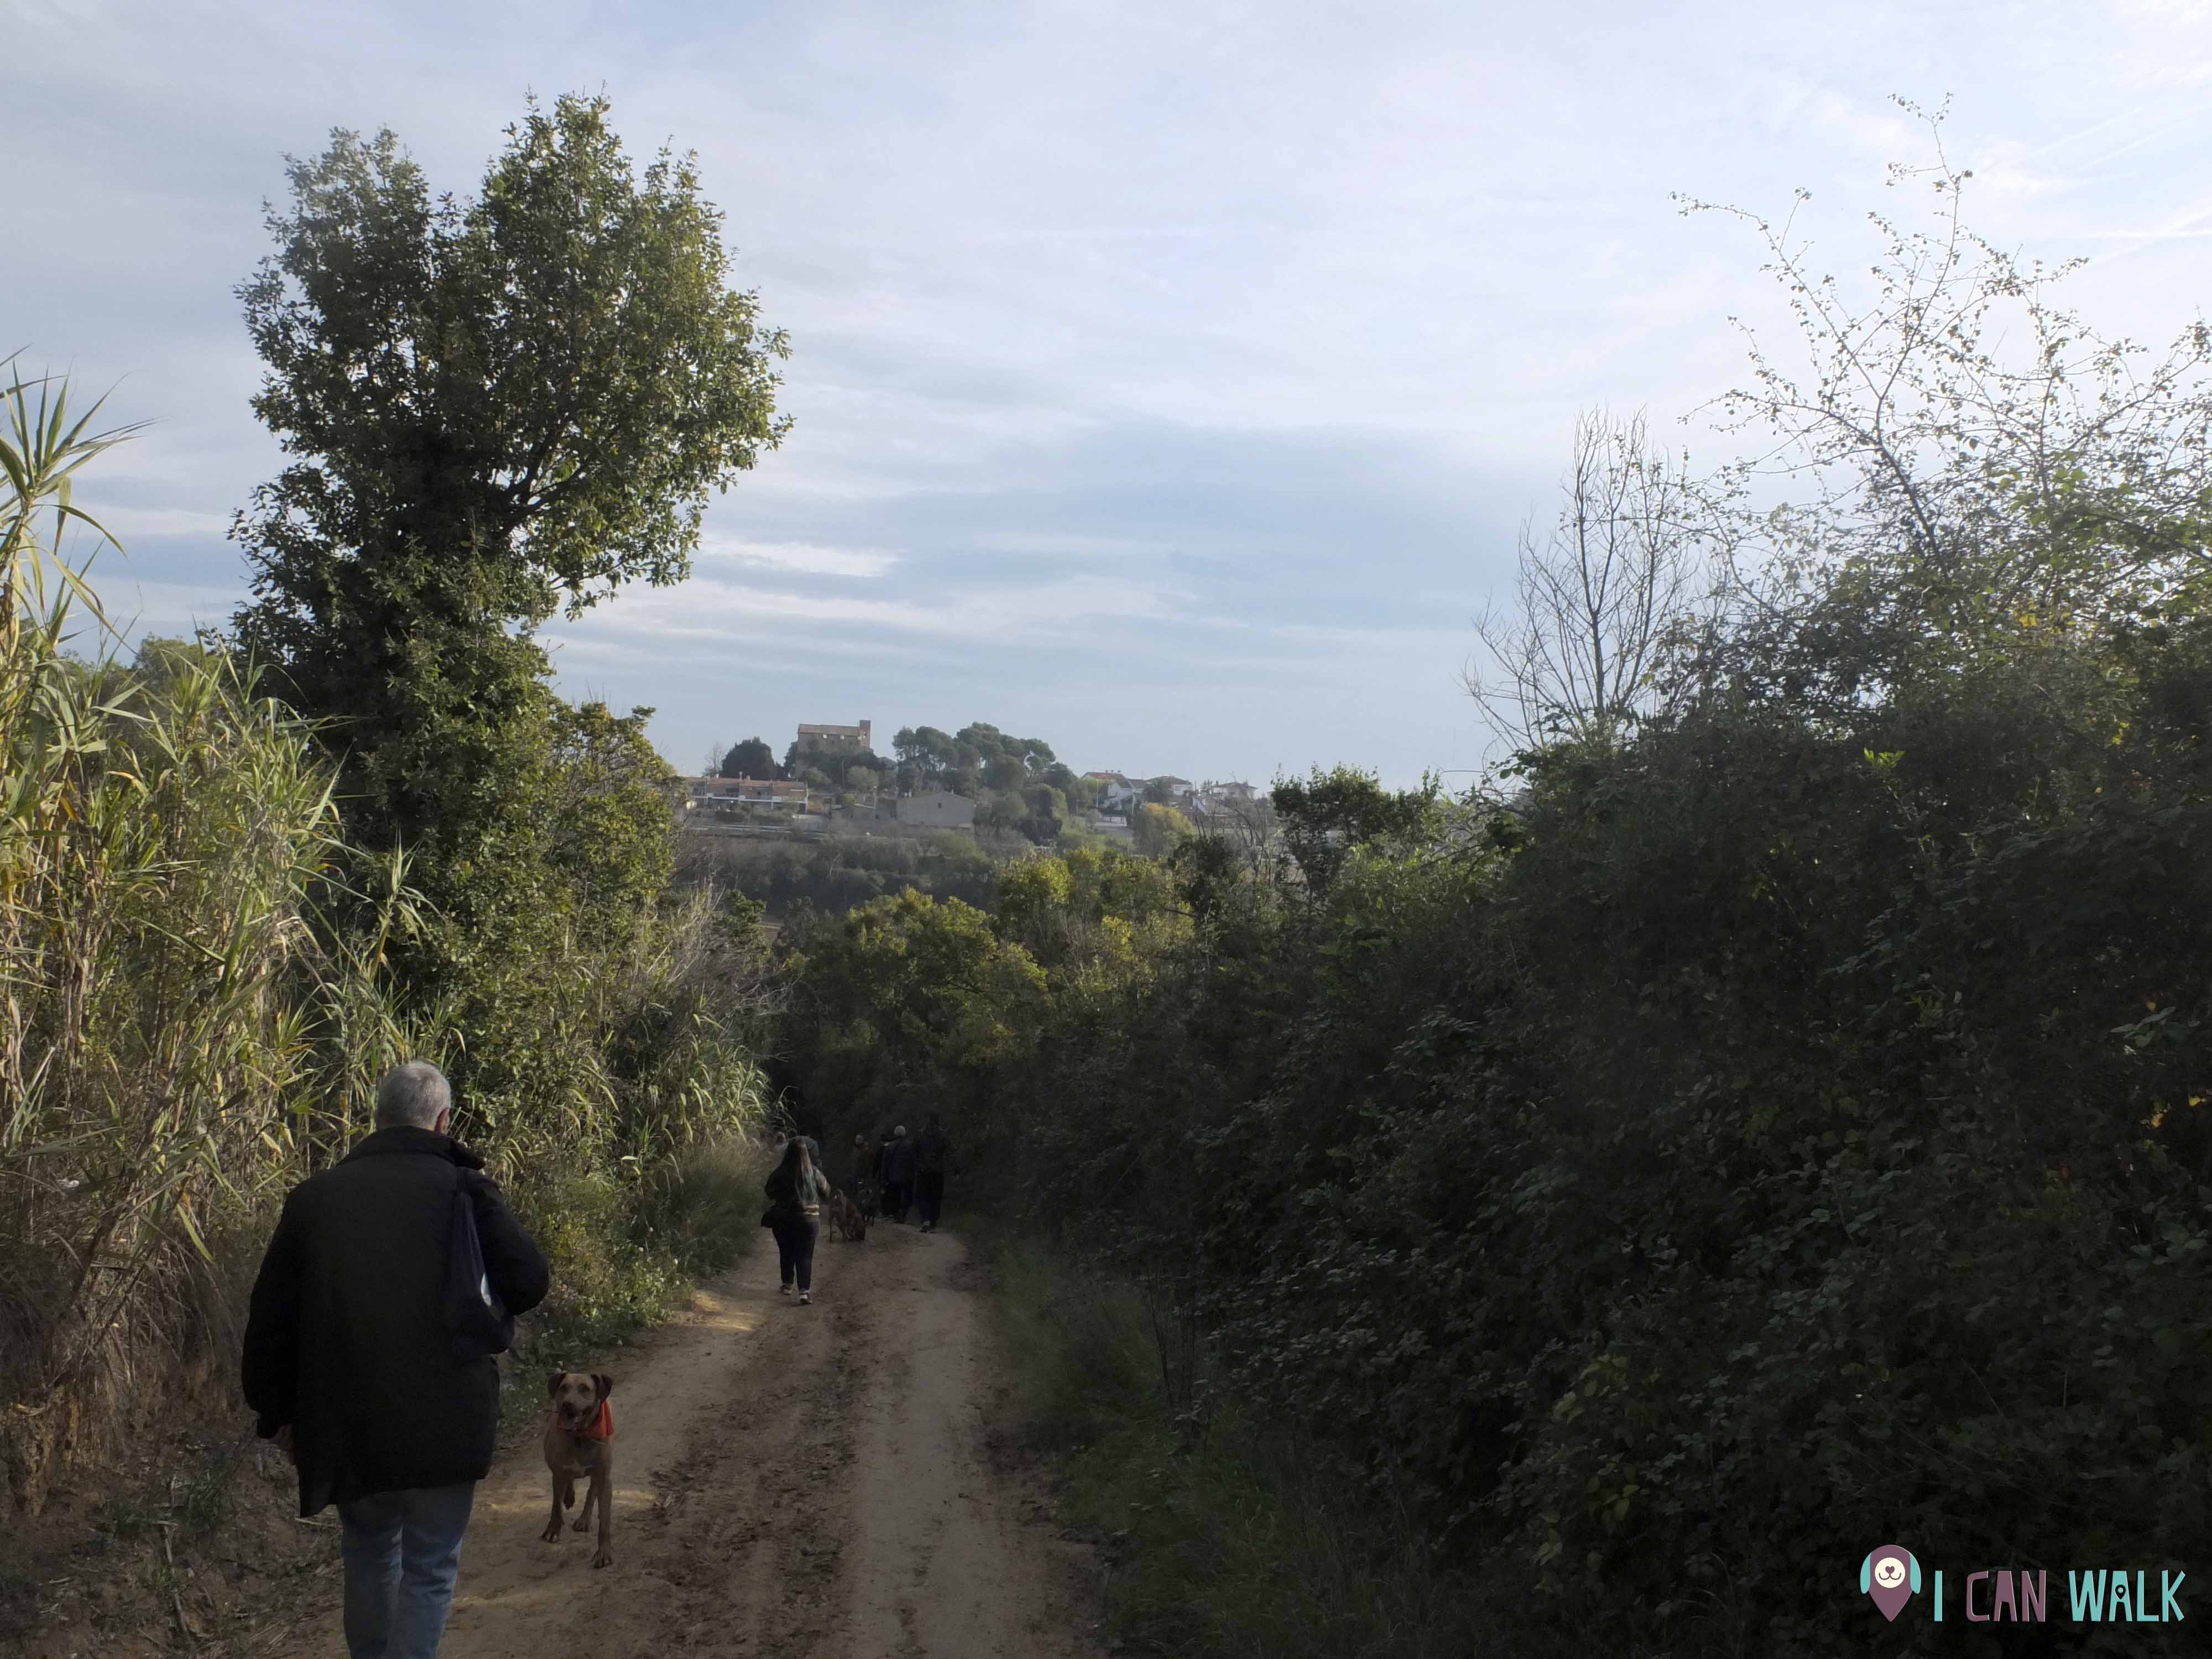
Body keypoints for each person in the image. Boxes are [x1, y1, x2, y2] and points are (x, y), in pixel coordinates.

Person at [242, 1060, 549, 1659]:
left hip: (349, 1420)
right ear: (443, 1120)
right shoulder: (464, 1189)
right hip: (448, 1416)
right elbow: (530, 1281)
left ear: (378, 1117)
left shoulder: (315, 1199)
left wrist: (275, 1414)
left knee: (368, 1552)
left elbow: (271, 1321)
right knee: (430, 1566)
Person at [764, 1137, 830, 1304]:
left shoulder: (780, 1172)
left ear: (788, 1153)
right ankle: (804, 1292)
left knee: (786, 1251)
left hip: (784, 1219)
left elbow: (769, 1191)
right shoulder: (814, 1172)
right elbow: (826, 1191)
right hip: (809, 1219)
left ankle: (787, 1284)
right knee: (805, 1255)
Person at [915, 1113, 954, 1233]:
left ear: (928, 1121)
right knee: (936, 1197)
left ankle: (925, 1221)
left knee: (923, 1196)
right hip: (938, 1171)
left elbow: (914, 1150)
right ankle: (933, 1223)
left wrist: (918, 1164)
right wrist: (955, 1168)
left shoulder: (921, 1134)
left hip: (923, 1171)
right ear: (938, 1122)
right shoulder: (943, 1136)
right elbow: (950, 1152)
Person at [880, 1124, 919, 1224]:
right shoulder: (910, 1145)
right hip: (907, 1176)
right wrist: (914, 1173)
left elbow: (885, 1163)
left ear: (895, 1134)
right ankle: (904, 1213)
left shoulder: (890, 1146)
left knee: (894, 1196)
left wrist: (884, 1176)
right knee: (907, 1195)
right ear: (905, 1133)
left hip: (893, 1177)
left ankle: (896, 1214)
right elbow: (914, 1161)